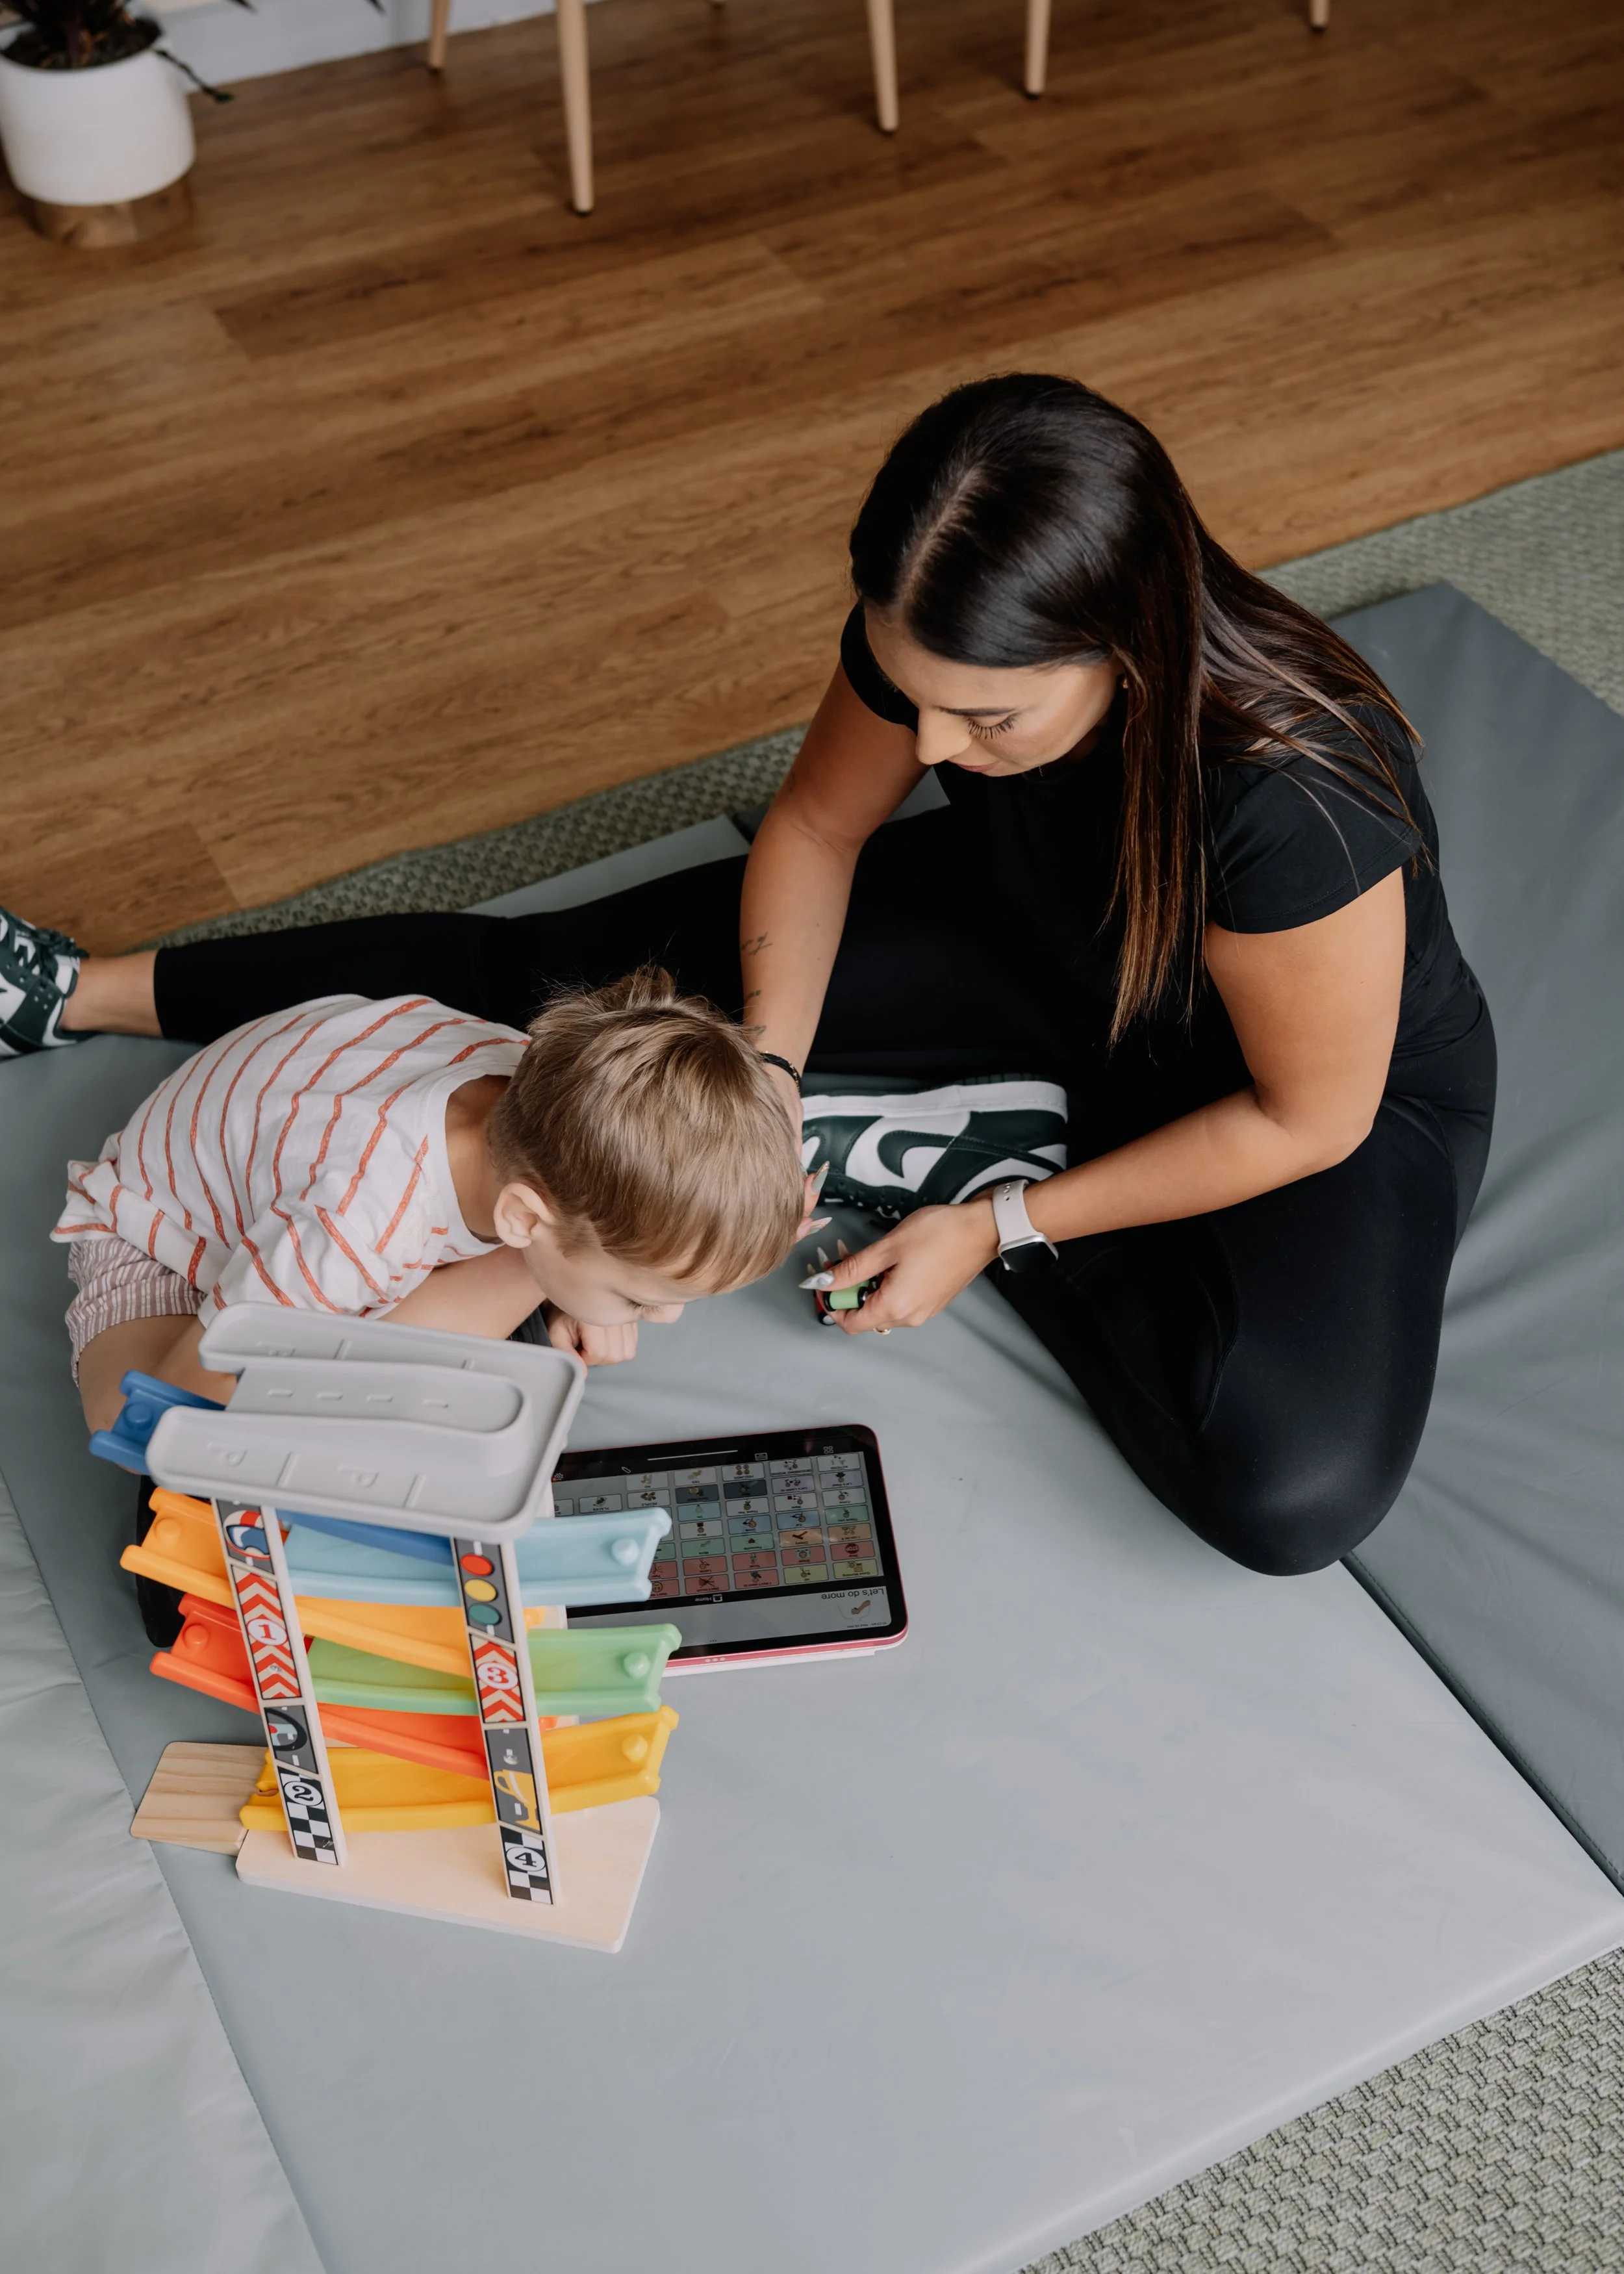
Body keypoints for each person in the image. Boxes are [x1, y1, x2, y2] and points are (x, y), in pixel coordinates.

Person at [3, 374, 1494, 1577]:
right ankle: (82, 989)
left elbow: (1309, 1120)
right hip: (1043, 956)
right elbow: (817, 824)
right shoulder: (940, 648)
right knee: (573, 990)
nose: (930, 751)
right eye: (909, 698)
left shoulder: (1291, 805)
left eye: (983, 722)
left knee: (1289, 1494)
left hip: (1302, 1100)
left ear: (1127, 642)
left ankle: (1000, 1164)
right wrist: (764, 1080)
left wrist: (996, 1228)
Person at [52, 970, 804, 1434]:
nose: (663, 1317)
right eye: (643, 1299)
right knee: (142, 1428)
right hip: (159, 1224)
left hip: (293, 1119)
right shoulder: (359, 1224)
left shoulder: (556, 1085)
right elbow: (178, 1403)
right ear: (524, 1216)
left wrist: (602, 1288)